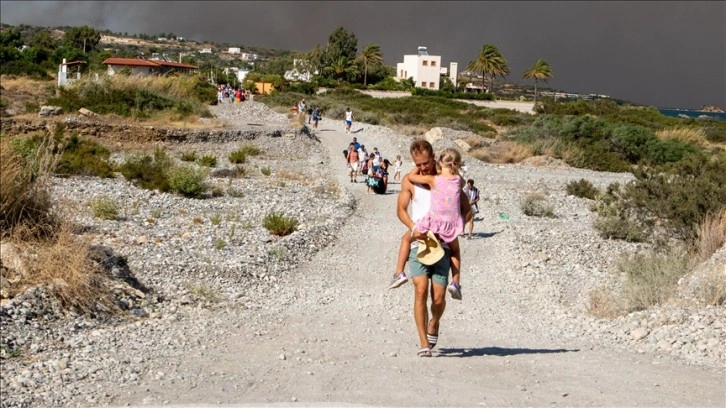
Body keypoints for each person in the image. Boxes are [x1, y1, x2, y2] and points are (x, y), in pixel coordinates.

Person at [392, 140, 472, 357]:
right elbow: (401, 209)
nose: (423, 167)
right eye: (419, 163)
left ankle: (434, 321)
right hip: (420, 242)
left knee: (438, 298)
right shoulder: (410, 181)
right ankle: (423, 342)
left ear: (434, 157)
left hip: (443, 245)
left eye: (426, 163)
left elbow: (467, 209)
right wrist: (412, 226)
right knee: (420, 290)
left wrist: (457, 226)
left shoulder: (448, 179)